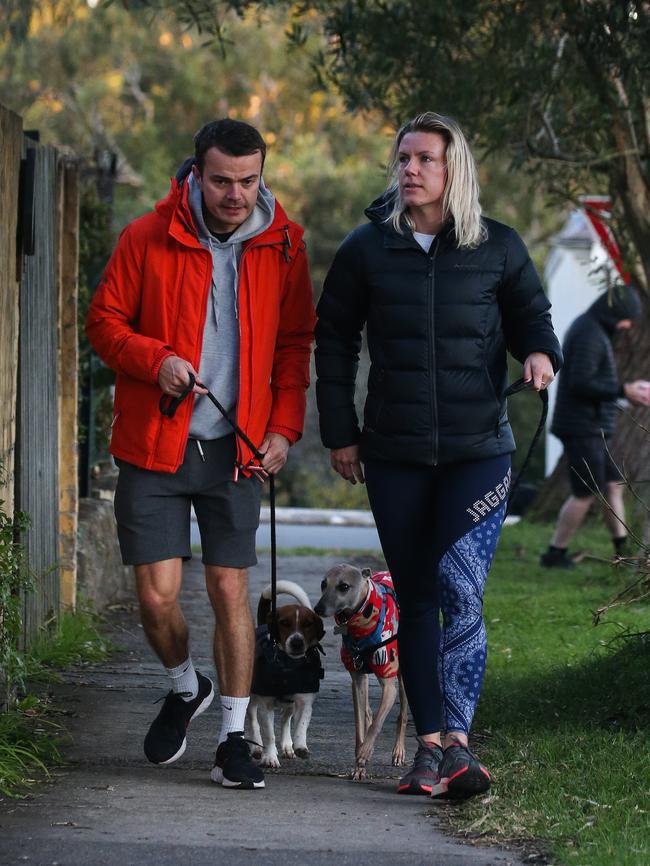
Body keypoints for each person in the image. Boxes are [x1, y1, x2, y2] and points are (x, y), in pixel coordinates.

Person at [314, 111, 562, 800]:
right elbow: (333, 341)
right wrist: (341, 430)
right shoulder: (367, 249)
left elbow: (531, 315)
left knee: (460, 589)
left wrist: (541, 351)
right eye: (403, 158)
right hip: (392, 452)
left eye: (425, 158)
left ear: (455, 171)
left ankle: (459, 742)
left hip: (478, 451)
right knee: (416, 596)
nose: (411, 169)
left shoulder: (499, 247)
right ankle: (428, 749)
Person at [86, 119, 315, 790]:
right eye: (221, 181)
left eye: (248, 181)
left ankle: (235, 738)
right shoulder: (146, 236)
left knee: (229, 590)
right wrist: (153, 360)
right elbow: (104, 322)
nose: (235, 195)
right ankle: (187, 686)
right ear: (196, 173)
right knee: (156, 600)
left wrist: (283, 429)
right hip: (155, 442)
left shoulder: (285, 245)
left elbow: (296, 343)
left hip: (237, 448)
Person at [541, 286, 650, 568]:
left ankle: (622, 552)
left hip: (593, 426)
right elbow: (581, 383)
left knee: (613, 485)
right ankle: (555, 553)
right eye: (626, 319)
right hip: (582, 426)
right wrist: (624, 390)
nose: (627, 326)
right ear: (614, 313)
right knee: (585, 492)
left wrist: (625, 393)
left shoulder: (594, 330)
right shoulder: (588, 333)